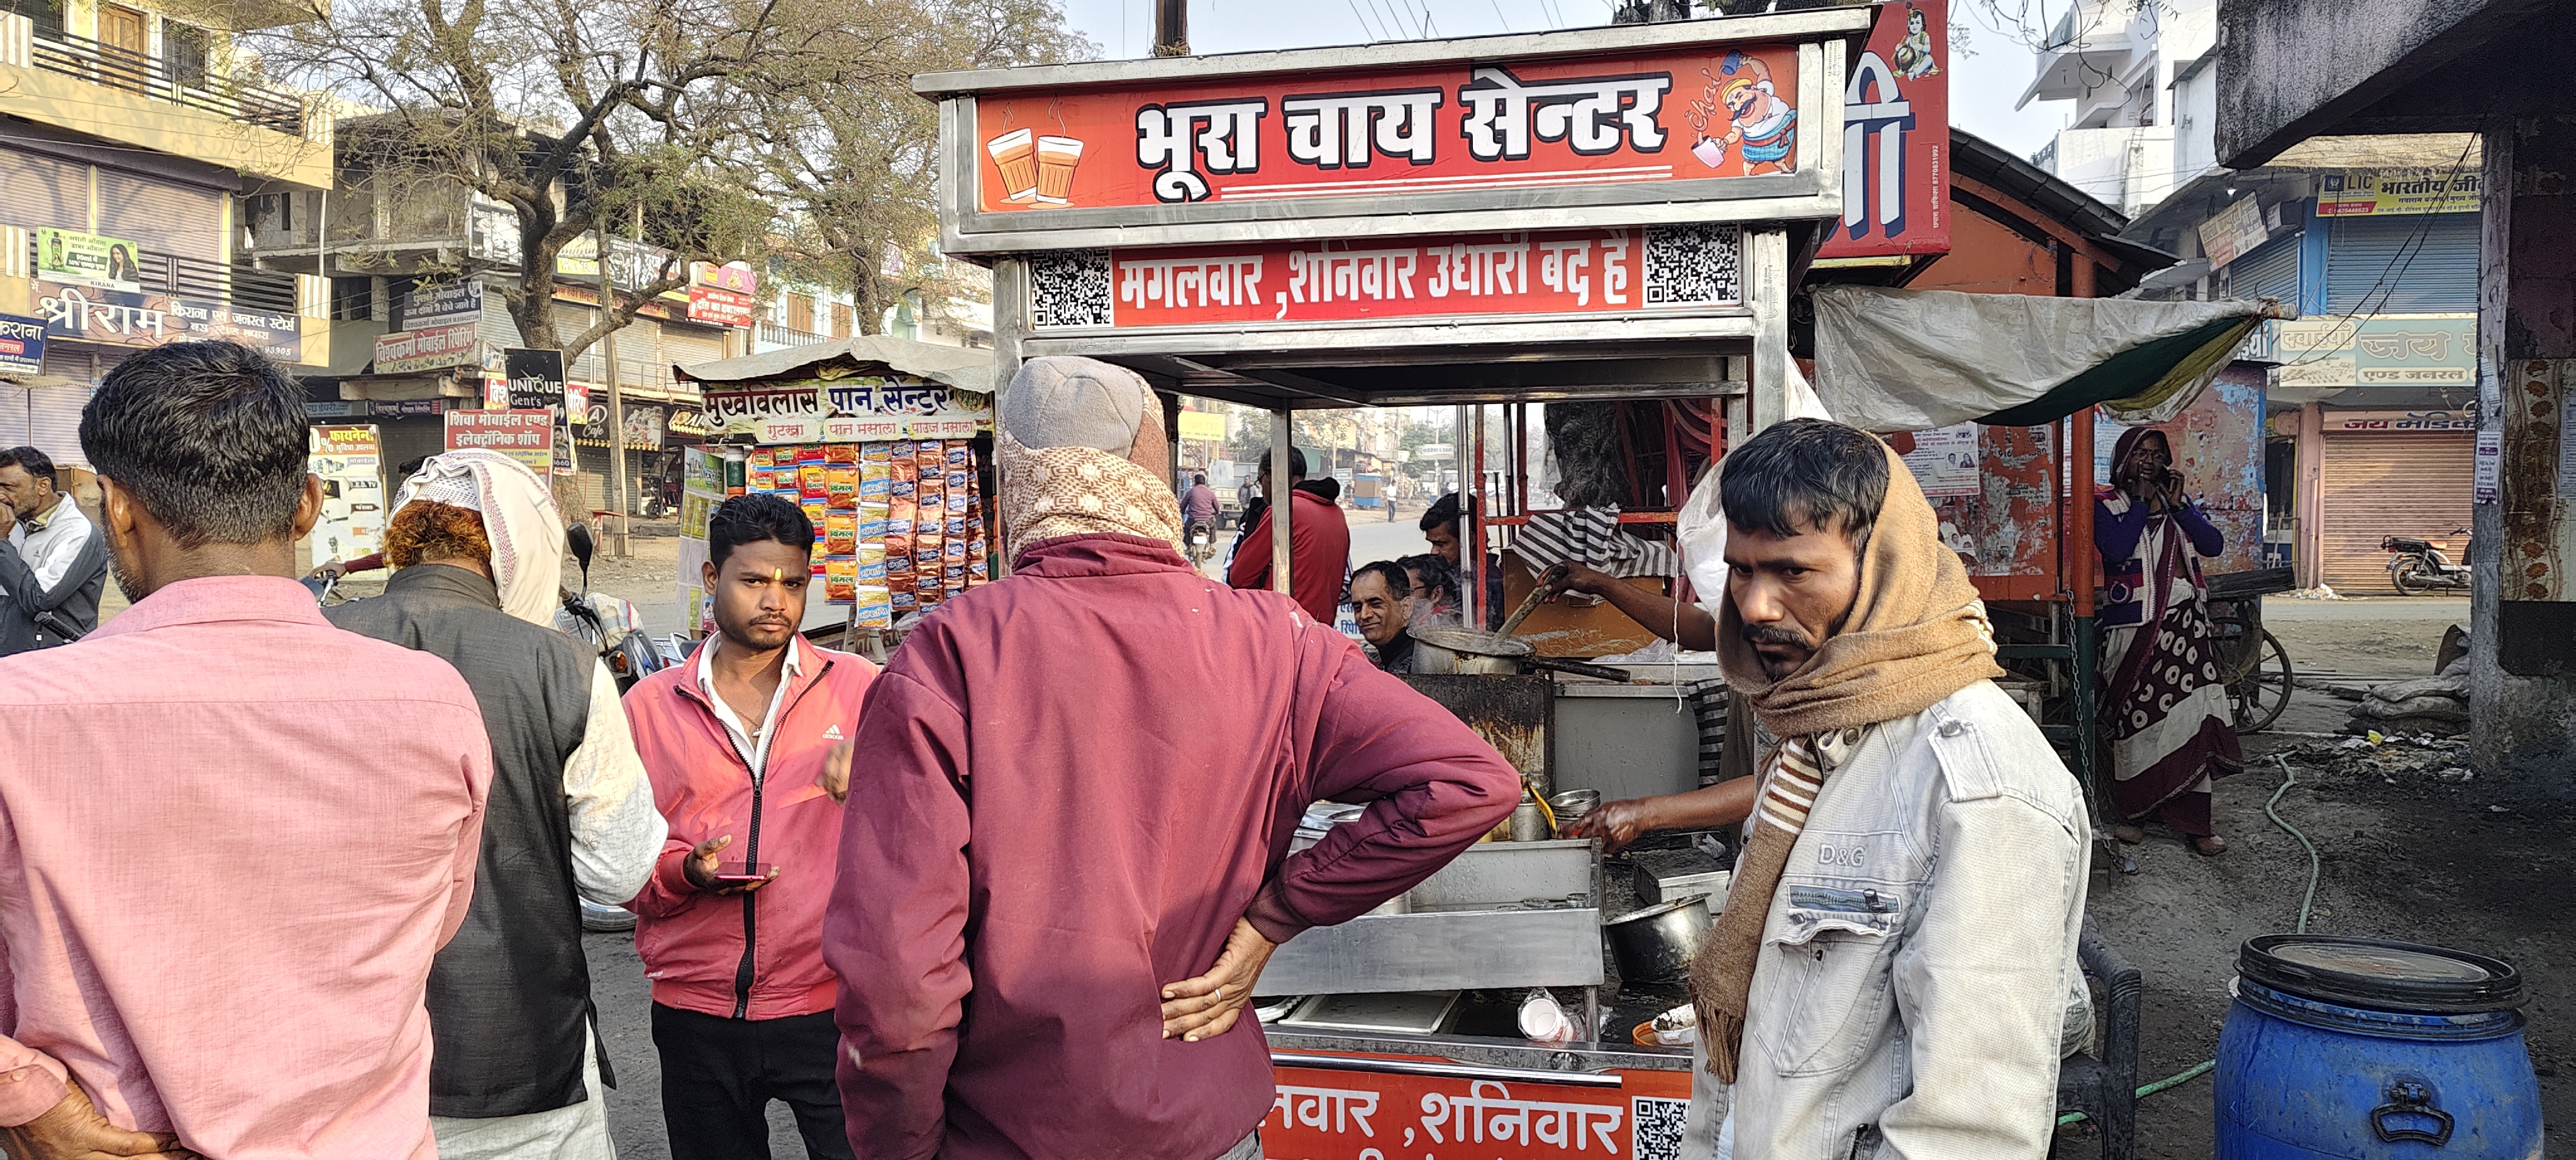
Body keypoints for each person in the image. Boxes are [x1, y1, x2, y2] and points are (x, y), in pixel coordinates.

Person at [826, 355, 1519, 1160]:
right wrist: (1273, 917)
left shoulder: (951, 653)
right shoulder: (1275, 639)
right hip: (1206, 1125)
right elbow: (1470, 780)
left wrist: (901, 1148)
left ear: (1013, 479)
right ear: (1153, 475)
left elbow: (898, 985)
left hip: (1016, 1133)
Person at [0, 340, 492, 1159]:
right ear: (306, 506)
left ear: (118, 509)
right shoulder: (433, 707)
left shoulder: (21, 715)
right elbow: (430, 927)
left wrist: (26, 1096)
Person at [1675, 418, 2084, 1159]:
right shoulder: (1818, 731)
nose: (1755, 605)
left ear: (1883, 564)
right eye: (1741, 570)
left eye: (1791, 571)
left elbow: (1969, 1130)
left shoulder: (1979, 785)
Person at [325, 449, 667, 1160]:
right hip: (517, 1048)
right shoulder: (563, 664)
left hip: (341, 1058)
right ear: (521, 547)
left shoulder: (309, 642)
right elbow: (619, 870)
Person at [621, 492, 877, 1160]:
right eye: (755, 580)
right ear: (712, 579)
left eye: (793, 583)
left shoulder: (862, 689)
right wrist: (685, 870)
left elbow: (930, 832)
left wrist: (880, 782)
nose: (776, 600)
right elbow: (616, 857)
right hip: (695, 1011)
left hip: (830, 1003)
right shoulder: (648, 708)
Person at [2095, 427, 2239, 856]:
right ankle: (2136, 814)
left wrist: (2179, 508)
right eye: (2140, 452)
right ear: (2123, 460)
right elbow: (2118, 549)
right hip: (2133, 630)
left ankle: (2196, 824)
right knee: (2136, 725)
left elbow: (2213, 545)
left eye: (2157, 454)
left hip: (2183, 629)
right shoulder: (2106, 505)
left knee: (2192, 720)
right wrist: (2141, 501)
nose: (2149, 460)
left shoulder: (2179, 507)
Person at [1225, 443, 1351, 624]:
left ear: (1272, 475)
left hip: (1286, 627)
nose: (1263, 492)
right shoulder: (1337, 514)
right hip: (1323, 630)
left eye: (1261, 482)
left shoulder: (1284, 512)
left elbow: (1238, 576)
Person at [0, 446, 106, 652]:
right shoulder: (16, 523)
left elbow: (39, 599)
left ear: (43, 486)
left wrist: (2, 543)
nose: (1, 497)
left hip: (54, 659)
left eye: (9, 487)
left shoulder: (77, 532)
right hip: (10, 656)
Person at [1420, 491, 1501, 628]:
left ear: (1470, 540)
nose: (1434, 552)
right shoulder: (1453, 573)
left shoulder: (1482, 582)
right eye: (1432, 544)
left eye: (1442, 544)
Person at [1347, 559, 1419, 672]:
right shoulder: (1392, 659)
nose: (1364, 615)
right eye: (1358, 607)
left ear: (1406, 607)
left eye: (1376, 604)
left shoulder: (1420, 664)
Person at [1180, 471, 1219, 563]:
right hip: (1208, 521)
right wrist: (1217, 512)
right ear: (1205, 481)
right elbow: (1217, 506)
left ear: (1195, 482)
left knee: (1186, 528)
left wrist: (1182, 511)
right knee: (1213, 527)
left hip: (1193, 520)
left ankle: (1189, 546)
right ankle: (1212, 546)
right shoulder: (1210, 492)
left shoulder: (1191, 492)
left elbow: (1183, 505)